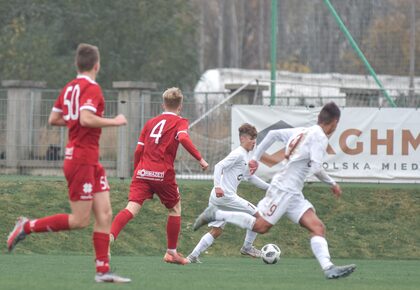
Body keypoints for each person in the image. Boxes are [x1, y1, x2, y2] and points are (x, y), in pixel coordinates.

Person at [7, 43, 131, 283]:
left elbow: (54, 119)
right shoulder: (92, 88)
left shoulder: (69, 88)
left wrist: (74, 121)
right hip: (80, 160)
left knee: (104, 214)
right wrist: (114, 121)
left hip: (90, 160)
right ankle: (26, 226)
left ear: (77, 64)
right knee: (80, 220)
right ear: (97, 65)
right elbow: (85, 118)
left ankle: (103, 271)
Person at [193, 102, 356, 279]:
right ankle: (217, 214)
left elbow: (272, 134)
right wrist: (332, 183)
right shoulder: (320, 137)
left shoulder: (302, 131)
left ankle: (328, 267)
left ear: (319, 118)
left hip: (293, 192)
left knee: (317, 227)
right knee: (261, 226)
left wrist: (255, 158)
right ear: (334, 122)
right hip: (284, 189)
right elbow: (316, 168)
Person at [110, 87, 209, 265]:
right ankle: (171, 253)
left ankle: (109, 237)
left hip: (142, 171)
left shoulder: (150, 123)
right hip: (162, 173)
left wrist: (136, 173)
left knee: (131, 208)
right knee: (175, 209)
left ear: (163, 104)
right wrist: (200, 159)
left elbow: (138, 150)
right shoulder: (180, 122)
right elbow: (184, 139)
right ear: (180, 106)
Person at [187, 123, 269, 263]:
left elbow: (249, 177)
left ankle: (192, 256)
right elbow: (219, 166)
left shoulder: (246, 156)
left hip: (219, 197)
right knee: (258, 216)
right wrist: (218, 186)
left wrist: (270, 188)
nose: (253, 143)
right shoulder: (238, 154)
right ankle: (247, 247)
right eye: (251, 140)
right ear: (242, 139)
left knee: (216, 231)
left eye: (255, 141)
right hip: (226, 196)